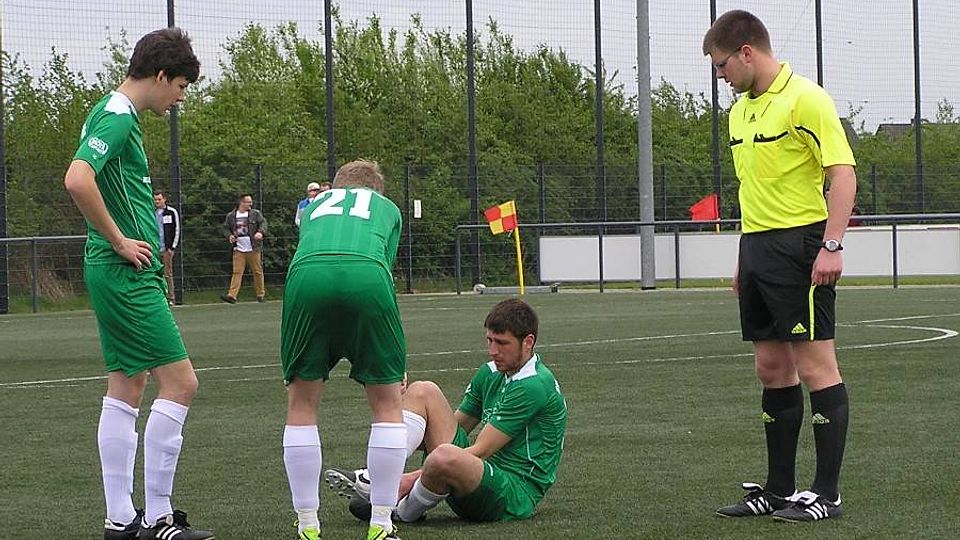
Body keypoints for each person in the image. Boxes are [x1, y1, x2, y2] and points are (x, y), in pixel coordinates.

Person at [703, 10, 857, 523]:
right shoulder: (738, 112)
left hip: (801, 246)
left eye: (722, 65)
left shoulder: (806, 99)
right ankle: (778, 489)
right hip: (757, 249)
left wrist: (831, 245)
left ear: (747, 52)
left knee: (815, 366)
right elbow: (754, 190)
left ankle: (827, 494)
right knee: (771, 368)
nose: (720, 76)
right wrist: (744, 257)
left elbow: (842, 174)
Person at [63, 28, 213, 540]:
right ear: (162, 74)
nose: (180, 98)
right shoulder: (119, 114)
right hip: (125, 271)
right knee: (181, 383)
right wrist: (121, 240)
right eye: (181, 87)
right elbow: (77, 177)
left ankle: (121, 519)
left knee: (128, 384)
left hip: (116, 270)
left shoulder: (110, 111)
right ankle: (159, 518)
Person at [325, 298, 568, 527]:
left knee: (444, 456)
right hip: (474, 478)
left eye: (502, 343)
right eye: (489, 341)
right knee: (423, 391)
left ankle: (399, 507)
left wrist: (409, 478)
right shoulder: (491, 372)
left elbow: (480, 451)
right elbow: (452, 427)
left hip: (512, 495)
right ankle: (380, 478)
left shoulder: (533, 385)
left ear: (528, 342)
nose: (493, 351)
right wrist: (399, 408)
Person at [280, 160, 407, 540]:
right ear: (376, 189)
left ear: (336, 187)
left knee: (301, 405)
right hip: (367, 275)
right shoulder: (387, 209)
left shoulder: (313, 206)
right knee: (387, 406)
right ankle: (381, 524)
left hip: (307, 277)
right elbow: (384, 267)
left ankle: (307, 525)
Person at [220, 194, 267, 303]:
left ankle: (260, 294)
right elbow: (225, 228)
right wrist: (229, 236)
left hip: (253, 248)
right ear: (241, 202)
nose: (250, 204)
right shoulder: (231, 216)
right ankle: (232, 296)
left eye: (251, 202)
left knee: (257, 271)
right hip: (238, 249)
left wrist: (260, 232)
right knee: (237, 272)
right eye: (248, 202)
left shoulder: (255, 214)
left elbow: (263, 223)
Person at [153, 190, 180, 305]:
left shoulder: (171, 212)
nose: (157, 202)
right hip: (154, 249)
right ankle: (159, 297)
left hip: (166, 249)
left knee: (167, 273)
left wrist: (172, 247)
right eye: (155, 200)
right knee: (155, 273)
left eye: (159, 199)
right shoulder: (152, 213)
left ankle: (171, 298)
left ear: (164, 199)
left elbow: (177, 229)